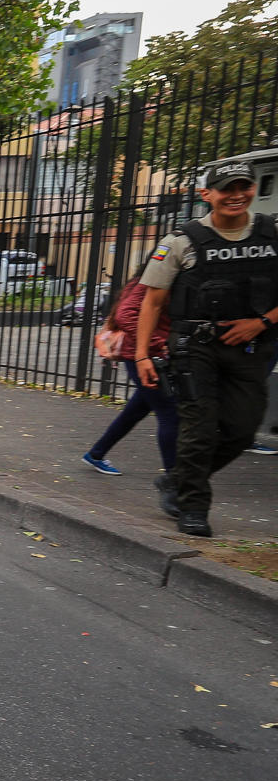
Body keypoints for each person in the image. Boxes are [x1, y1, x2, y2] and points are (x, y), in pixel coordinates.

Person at [133, 163, 278, 536]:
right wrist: (142, 354)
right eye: (226, 188)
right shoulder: (181, 241)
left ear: (252, 189)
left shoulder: (271, 233)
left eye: (243, 186)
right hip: (195, 348)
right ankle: (193, 507)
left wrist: (261, 323)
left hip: (250, 346)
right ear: (206, 195)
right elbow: (151, 303)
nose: (236, 195)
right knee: (198, 429)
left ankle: (177, 479)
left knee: (243, 429)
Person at [80, 268, 176, 479]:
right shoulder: (151, 282)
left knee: (136, 411)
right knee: (170, 413)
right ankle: (176, 481)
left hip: (145, 356)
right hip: (145, 357)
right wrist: (159, 343)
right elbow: (126, 315)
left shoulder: (143, 280)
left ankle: (96, 453)